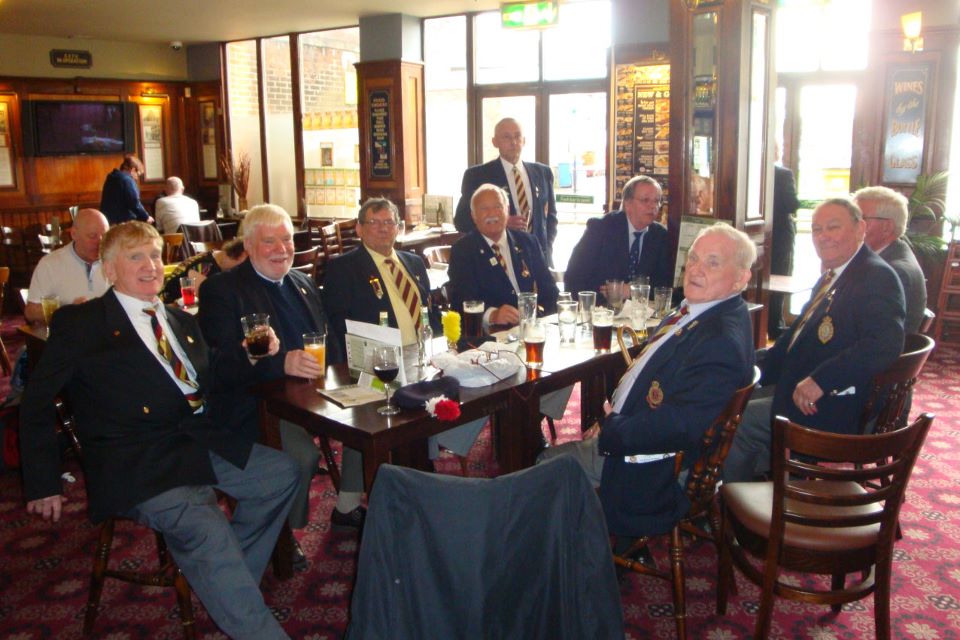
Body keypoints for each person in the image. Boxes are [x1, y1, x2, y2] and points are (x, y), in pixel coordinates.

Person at [19, 221, 297, 640]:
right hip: (136, 458)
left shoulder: (179, 319)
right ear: (109, 270)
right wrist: (43, 482)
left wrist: (249, 355)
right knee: (206, 527)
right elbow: (37, 402)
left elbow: (211, 376)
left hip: (194, 439)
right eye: (136, 257)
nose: (150, 265)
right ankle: (248, 616)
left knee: (281, 474)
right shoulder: (82, 324)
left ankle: (226, 582)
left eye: (154, 255)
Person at [539, 223, 756, 539]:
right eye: (693, 258)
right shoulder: (704, 311)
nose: (696, 269)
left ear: (740, 278)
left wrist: (614, 429)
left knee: (545, 463)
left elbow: (679, 426)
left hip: (654, 467)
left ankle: (576, 549)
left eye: (713, 263)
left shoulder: (719, 339)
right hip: (642, 435)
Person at [198, 204, 364, 563]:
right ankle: (283, 532)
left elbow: (329, 340)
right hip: (260, 401)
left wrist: (348, 376)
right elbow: (219, 366)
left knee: (369, 416)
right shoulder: (222, 290)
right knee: (301, 456)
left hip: (315, 391)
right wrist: (279, 362)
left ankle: (348, 505)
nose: (282, 249)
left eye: (287, 240)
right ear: (248, 245)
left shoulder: (303, 282)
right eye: (269, 241)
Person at [723, 198, 906, 483]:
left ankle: (736, 501)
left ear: (860, 228)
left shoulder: (876, 276)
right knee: (729, 398)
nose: (823, 236)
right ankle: (754, 484)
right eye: (817, 229)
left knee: (736, 421)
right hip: (801, 385)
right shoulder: (835, 275)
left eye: (833, 227)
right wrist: (747, 366)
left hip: (837, 403)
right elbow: (795, 338)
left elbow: (884, 343)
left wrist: (822, 380)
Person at [322, 197, 441, 361]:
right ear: (359, 229)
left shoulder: (415, 263)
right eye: (374, 222)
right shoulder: (343, 269)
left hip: (426, 357)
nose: (383, 228)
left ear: (398, 229)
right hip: (382, 362)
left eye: (389, 222)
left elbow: (430, 310)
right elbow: (339, 326)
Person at [448, 184, 559, 329]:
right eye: (484, 209)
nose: (492, 214)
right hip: (493, 334)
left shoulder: (528, 242)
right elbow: (461, 301)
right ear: (474, 216)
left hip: (534, 327)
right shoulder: (463, 250)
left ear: (507, 210)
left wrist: (554, 320)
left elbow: (549, 290)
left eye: (498, 207)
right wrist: (492, 315)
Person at [453, 118, 558, 265]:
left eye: (517, 136)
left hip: (539, 260)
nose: (513, 142)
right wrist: (500, 222)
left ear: (524, 140)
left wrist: (547, 248)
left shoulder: (543, 173)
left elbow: (551, 219)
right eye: (506, 137)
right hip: (498, 261)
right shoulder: (477, 176)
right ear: (494, 142)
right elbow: (461, 221)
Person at [564, 175, 672, 304]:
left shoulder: (660, 236)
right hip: (601, 309)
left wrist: (632, 291)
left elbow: (664, 287)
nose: (653, 206)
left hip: (640, 312)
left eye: (657, 201)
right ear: (627, 203)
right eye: (645, 200)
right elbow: (574, 277)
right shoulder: (601, 229)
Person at [853, 185, 927, 334]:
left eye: (861, 219)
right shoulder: (892, 252)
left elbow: (872, 332)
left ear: (886, 227)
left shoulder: (894, 272)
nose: (852, 226)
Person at [25, 208, 110, 324]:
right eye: (92, 236)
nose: (99, 243)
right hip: (69, 331)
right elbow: (31, 312)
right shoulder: (50, 264)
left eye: (104, 236)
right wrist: (69, 310)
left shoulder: (116, 260)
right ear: (74, 234)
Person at [768, 153, 800, 339]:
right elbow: (792, 204)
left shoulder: (751, 173)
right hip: (780, 233)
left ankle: (764, 323)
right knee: (780, 276)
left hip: (759, 233)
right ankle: (775, 324)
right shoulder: (783, 174)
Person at [160, 237, 247, 304]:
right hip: (169, 306)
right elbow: (209, 301)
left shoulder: (219, 258)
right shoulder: (204, 266)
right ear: (243, 256)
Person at [99, 155, 154, 225]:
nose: (137, 178)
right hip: (123, 224)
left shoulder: (111, 178)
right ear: (133, 170)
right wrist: (146, 217)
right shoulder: (127, 180)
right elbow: (134, 202)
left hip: (108, 222)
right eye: (138, 174)